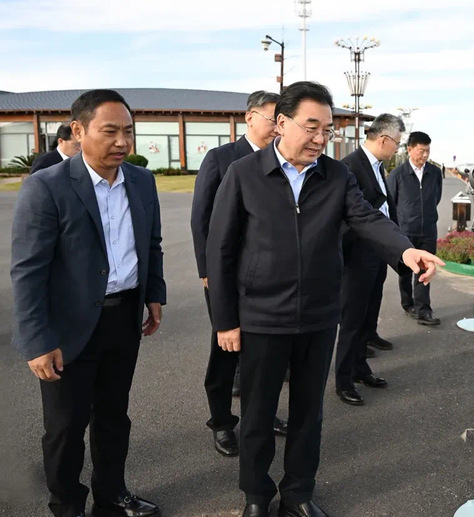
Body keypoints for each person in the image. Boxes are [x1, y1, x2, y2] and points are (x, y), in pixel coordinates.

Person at [206, 81, 443, 517]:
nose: (320, 138)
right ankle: (256, 496)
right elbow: (219, 250)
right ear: (281, 123)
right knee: (257, 415)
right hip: (261, 316)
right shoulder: (243, 174)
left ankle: (297, 494)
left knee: (308, 414)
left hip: (318, 315)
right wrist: (225, 321)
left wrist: (406, 251)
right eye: (311, 127)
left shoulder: (336, 176)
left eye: (327, 130)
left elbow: (367, 219)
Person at [11, 89, 166, 517]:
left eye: (128, 132)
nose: (122, 142)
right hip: (66, 329)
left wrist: (154, 294)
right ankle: (67, 506)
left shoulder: (142, 181)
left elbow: (151, 244)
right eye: (110, 131)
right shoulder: (47, 186)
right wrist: (37, 340)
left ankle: (112, 495)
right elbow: (28, 271)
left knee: (114, 415)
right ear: (78, 131)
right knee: (65, 427)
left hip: (123, 318)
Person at [190, 91, 287, 458]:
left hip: (268, 277)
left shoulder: (282, 159)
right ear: (250, 117)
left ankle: (261, 415)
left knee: (264, 352)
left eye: (283, 121)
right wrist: (206, 271)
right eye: (273, 119)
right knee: (225, 350)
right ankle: (221, 422)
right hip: (225, 275)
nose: (277, 127)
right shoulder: (221, 158)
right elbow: (201, 218)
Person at [335, 113, 405, 406]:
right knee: (352, 320)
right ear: (384, 139)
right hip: (357, 256)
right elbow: (343, 217)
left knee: (367, 316)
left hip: (376, 254)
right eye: (397, 143)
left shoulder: (377, 167)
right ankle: (343, 380)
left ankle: (360, 368)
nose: (398, 149)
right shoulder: (349, 167)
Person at [386, 131, 443, 325]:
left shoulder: (435, 173)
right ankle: (407, 303)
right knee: (405, 270)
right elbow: (391, 202)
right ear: (409, 149)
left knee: (425, 270)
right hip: (405, 231)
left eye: (428, 151)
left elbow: (436, 198)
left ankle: (423, 310)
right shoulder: (397, 174)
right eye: (421, 151)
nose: (425, 155)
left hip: (428, 230)